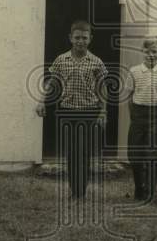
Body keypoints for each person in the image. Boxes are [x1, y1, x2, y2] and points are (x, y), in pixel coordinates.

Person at [35, 20, 107, 199]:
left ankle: (81, 191)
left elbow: (102, 88)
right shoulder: (61, 59)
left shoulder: (96, 62)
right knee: (71, 152)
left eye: (84, 38)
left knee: (84, 152)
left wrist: (103, 111)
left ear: (90, 39)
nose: (80, 41)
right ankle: (75, 191)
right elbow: (52, 83)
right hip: (67, 111)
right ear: (70, 38)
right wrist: (41, 102)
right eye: (77, 38)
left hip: (89, 111)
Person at [125, 36, 157, 202]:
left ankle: (150, 191)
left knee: (152, 154)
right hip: (138, 115)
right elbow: (129, 97)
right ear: (142, 52)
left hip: (156, 116)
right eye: (147, 52)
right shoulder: (134, 71)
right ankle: (140, 188)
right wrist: (134, 117)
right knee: (134, 155)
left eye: (154, 51)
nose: (151, 55)